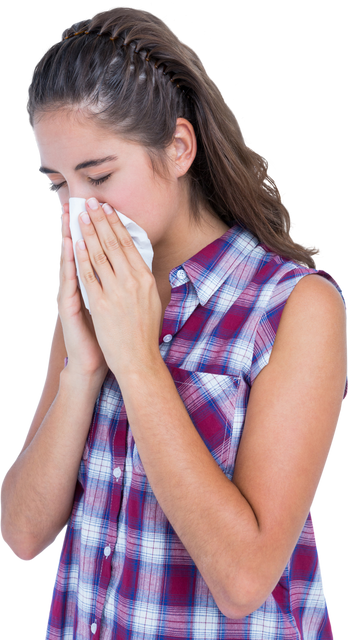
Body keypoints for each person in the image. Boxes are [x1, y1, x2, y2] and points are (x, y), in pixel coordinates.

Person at [1, 3, 347, 638]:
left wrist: (136, 362)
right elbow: (22, 534)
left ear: (179, 148)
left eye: (99, 176)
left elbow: (244, 580)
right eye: (57, 185)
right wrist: (82, 369)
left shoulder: (296, 306)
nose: (79, 211)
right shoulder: (94, 294)